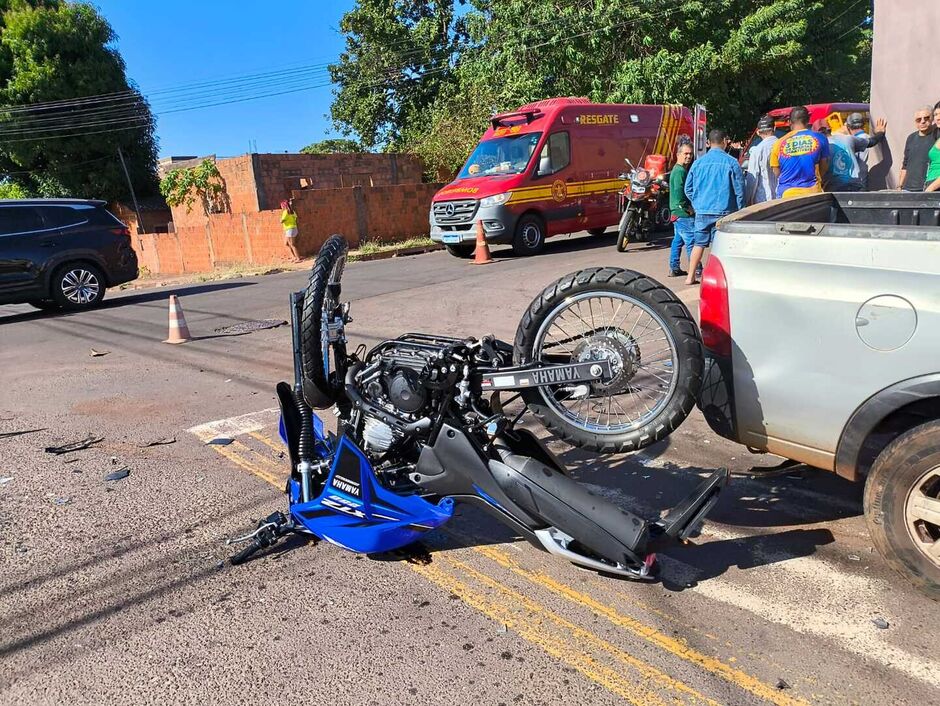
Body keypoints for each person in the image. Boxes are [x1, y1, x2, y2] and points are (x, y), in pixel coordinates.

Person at [683, 128, 745, 285]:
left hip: (702, 210)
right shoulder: (732, 162)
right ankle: (719, 279)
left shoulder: (697, 163)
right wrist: (741, 210)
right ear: (725, 141)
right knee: (720, 246)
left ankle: (690, 276)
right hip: (725, 211)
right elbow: (740, 190)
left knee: (699, 244)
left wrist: (697, 202)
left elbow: (687, 188)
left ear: (708, 143)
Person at [769, 106, 829, 199]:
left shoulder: (778, 143)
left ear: (789, 122)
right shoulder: (820, 138)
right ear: (808, 120)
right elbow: (824, 166)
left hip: (786, 194)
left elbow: (776, 171)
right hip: (812, 192)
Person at [826, 117, 887, 191]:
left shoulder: (821, 145)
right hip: (855, 185)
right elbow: (872, 142)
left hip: (834, 187)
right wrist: (880, 133)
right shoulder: (848, 139)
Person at [667, 140, 695, 277]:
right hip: (682, 213)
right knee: (691, 242)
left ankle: (674, 267)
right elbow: (679, 193)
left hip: (676, 213)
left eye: (690, 154)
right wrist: (688, 208)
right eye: (686, 154)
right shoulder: (679, 172)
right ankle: (696, 269)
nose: (688, 157)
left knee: (678, 241)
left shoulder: (679, 170)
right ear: (678, 154)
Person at [899, 106, 937, 191]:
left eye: (926, 118)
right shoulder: (911, 138)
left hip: (929, 189)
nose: (922, 121)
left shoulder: (937, 137)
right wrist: (899, 186)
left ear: (932, 119)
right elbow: (905, 164)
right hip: (907, 189)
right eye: (919, 119)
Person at [746, 114, 778, 205]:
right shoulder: (783, 146)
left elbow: (752, 179)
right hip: (781, 197)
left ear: (758, 132)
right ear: (774, 128)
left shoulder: (757, 150)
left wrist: (748, 200)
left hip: (763, 200)